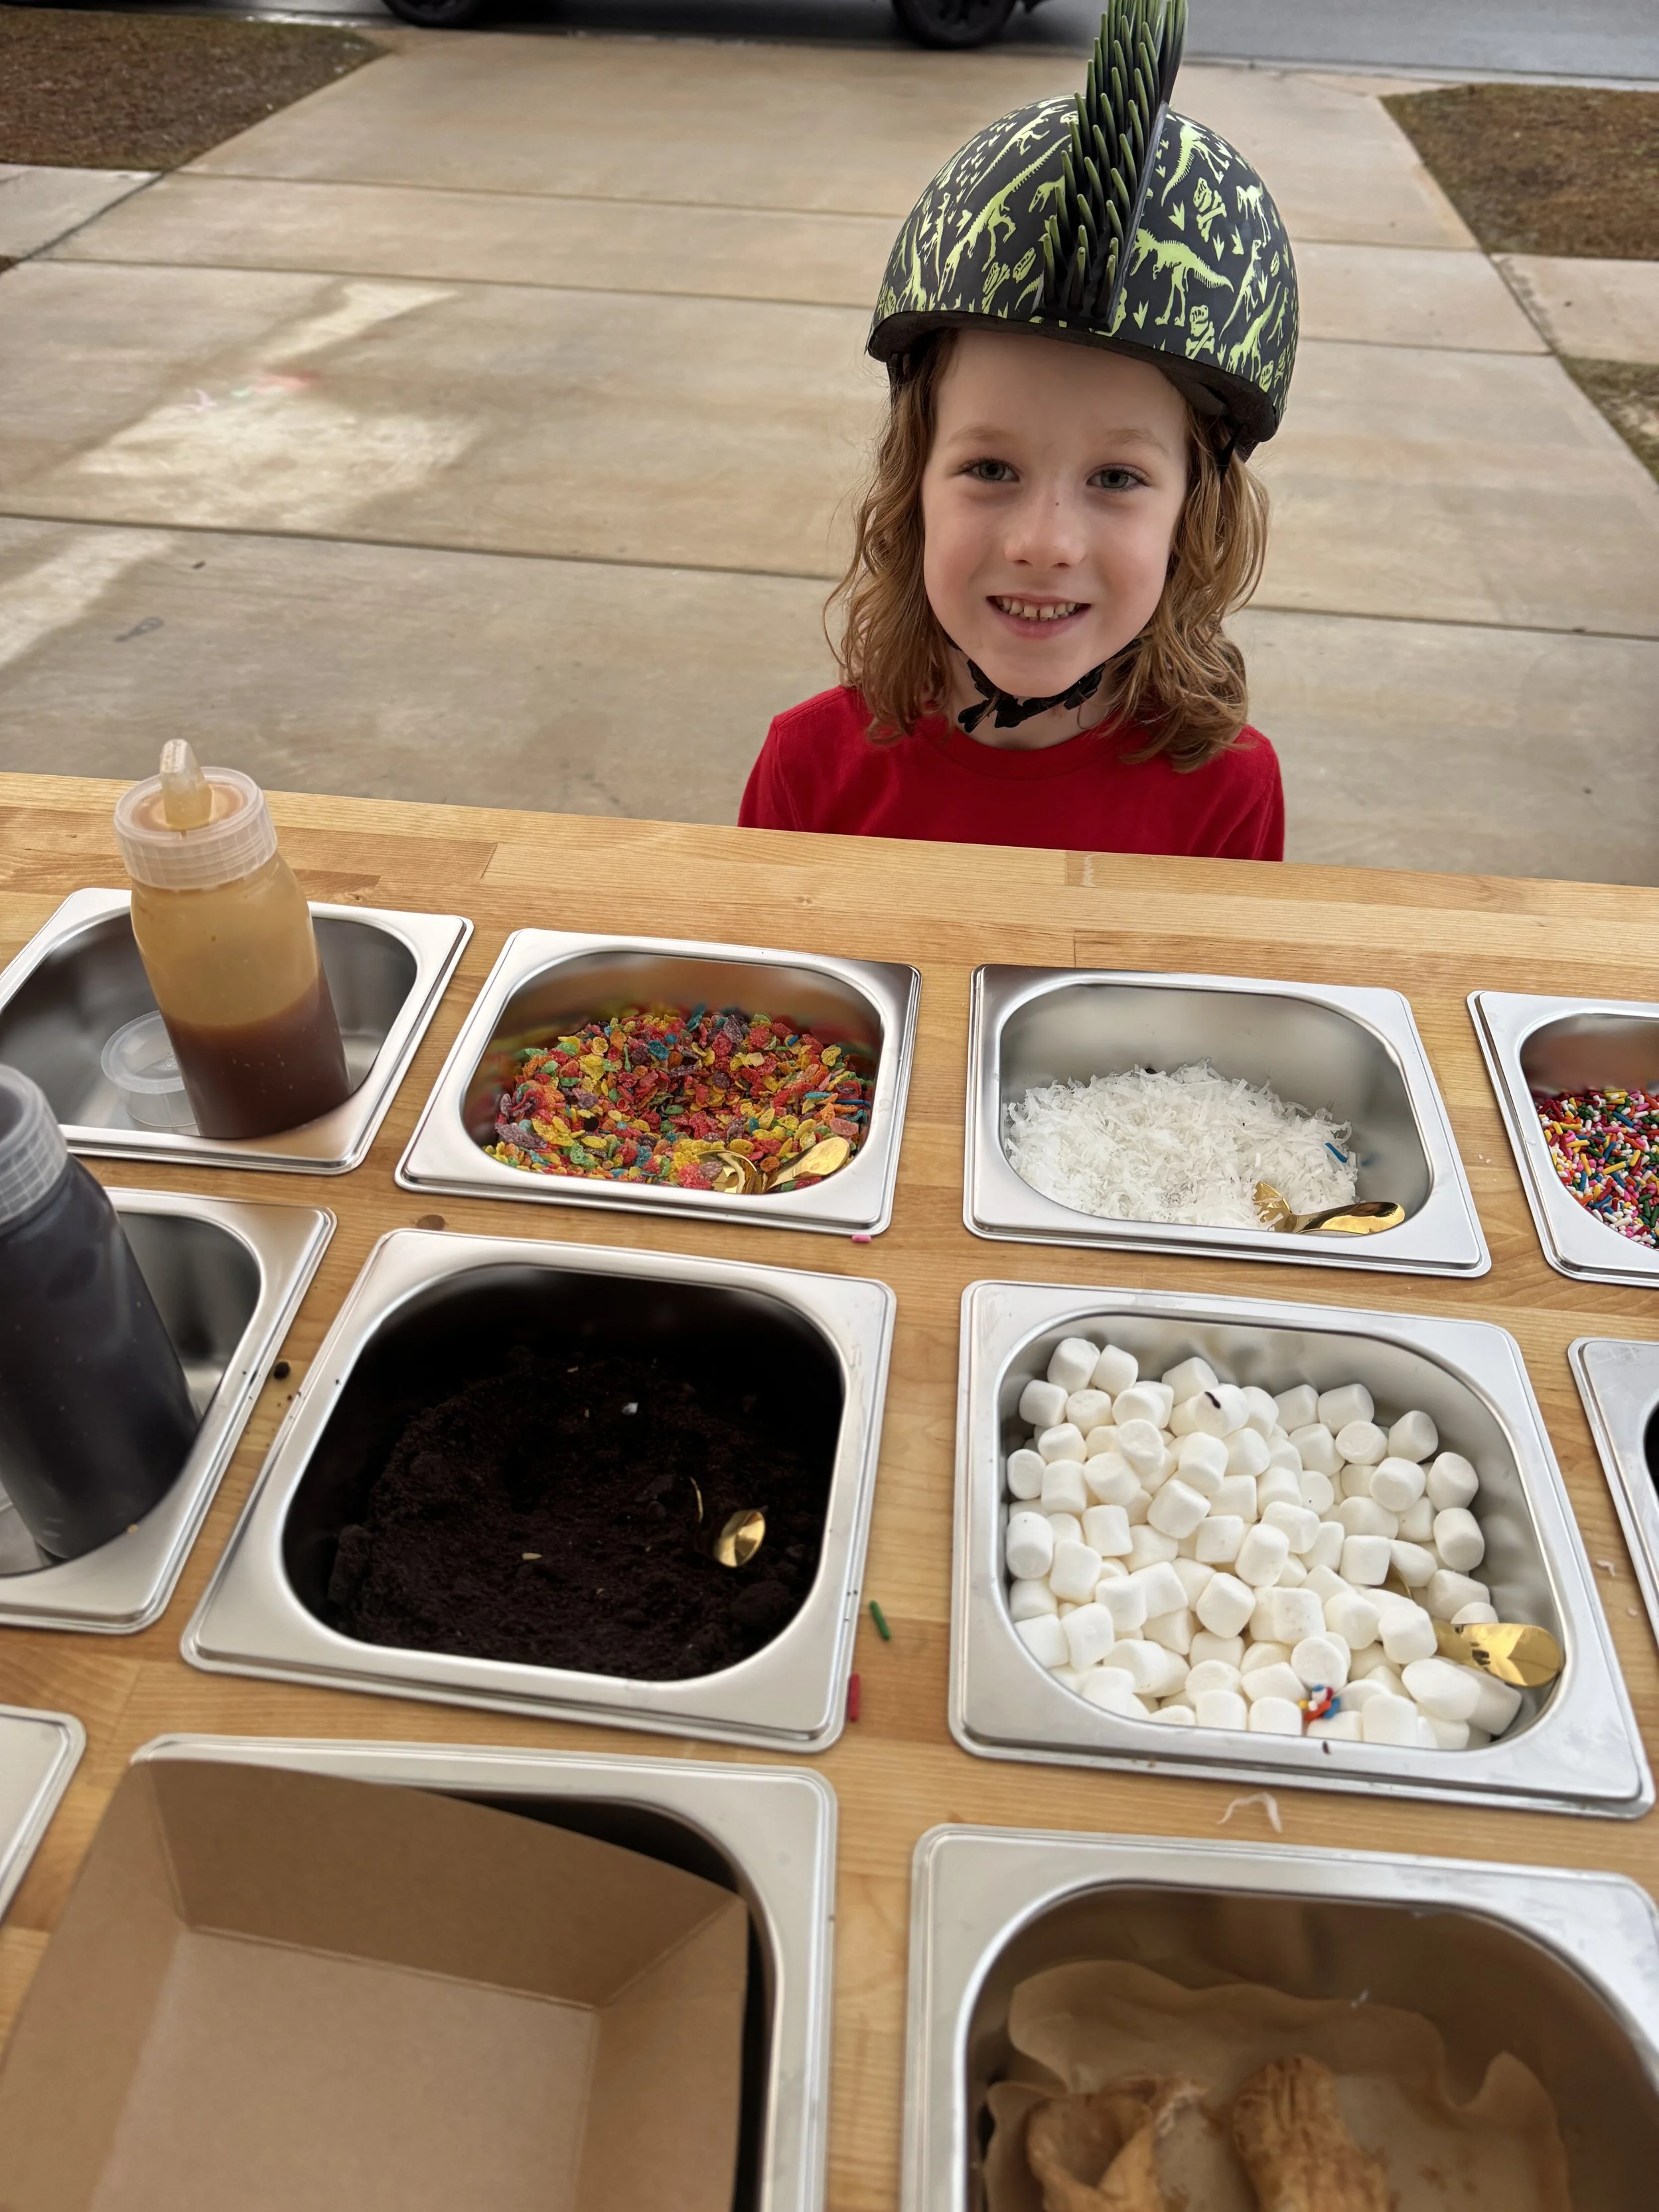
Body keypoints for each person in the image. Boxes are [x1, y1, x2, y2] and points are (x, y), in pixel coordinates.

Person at [740, 0, 1299, 861]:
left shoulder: (1228, 793)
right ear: (913, 485)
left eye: (1116, 478)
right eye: (991, 468)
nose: (1047, 543)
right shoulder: (808, 770)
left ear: (1196, 513)